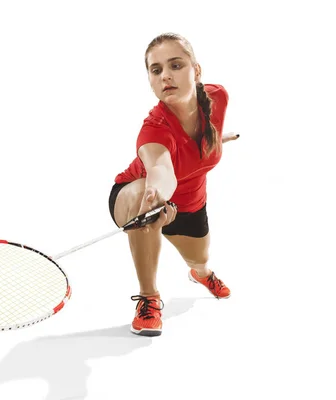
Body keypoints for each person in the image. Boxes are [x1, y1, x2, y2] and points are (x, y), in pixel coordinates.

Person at [108, 32, 240, 337]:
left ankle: (202, 274)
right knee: (145, 200)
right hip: (137, 197)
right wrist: (156, 193)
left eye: (176, 65)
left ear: (196, 70)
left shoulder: (217, 97)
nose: (166, 75)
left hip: (190, 202)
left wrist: (215, 141)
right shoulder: (153, 129)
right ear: (151, 81)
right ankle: (149, 299)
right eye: (156, 70)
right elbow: (160, 168)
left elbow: (203, 134)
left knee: (199, 258)